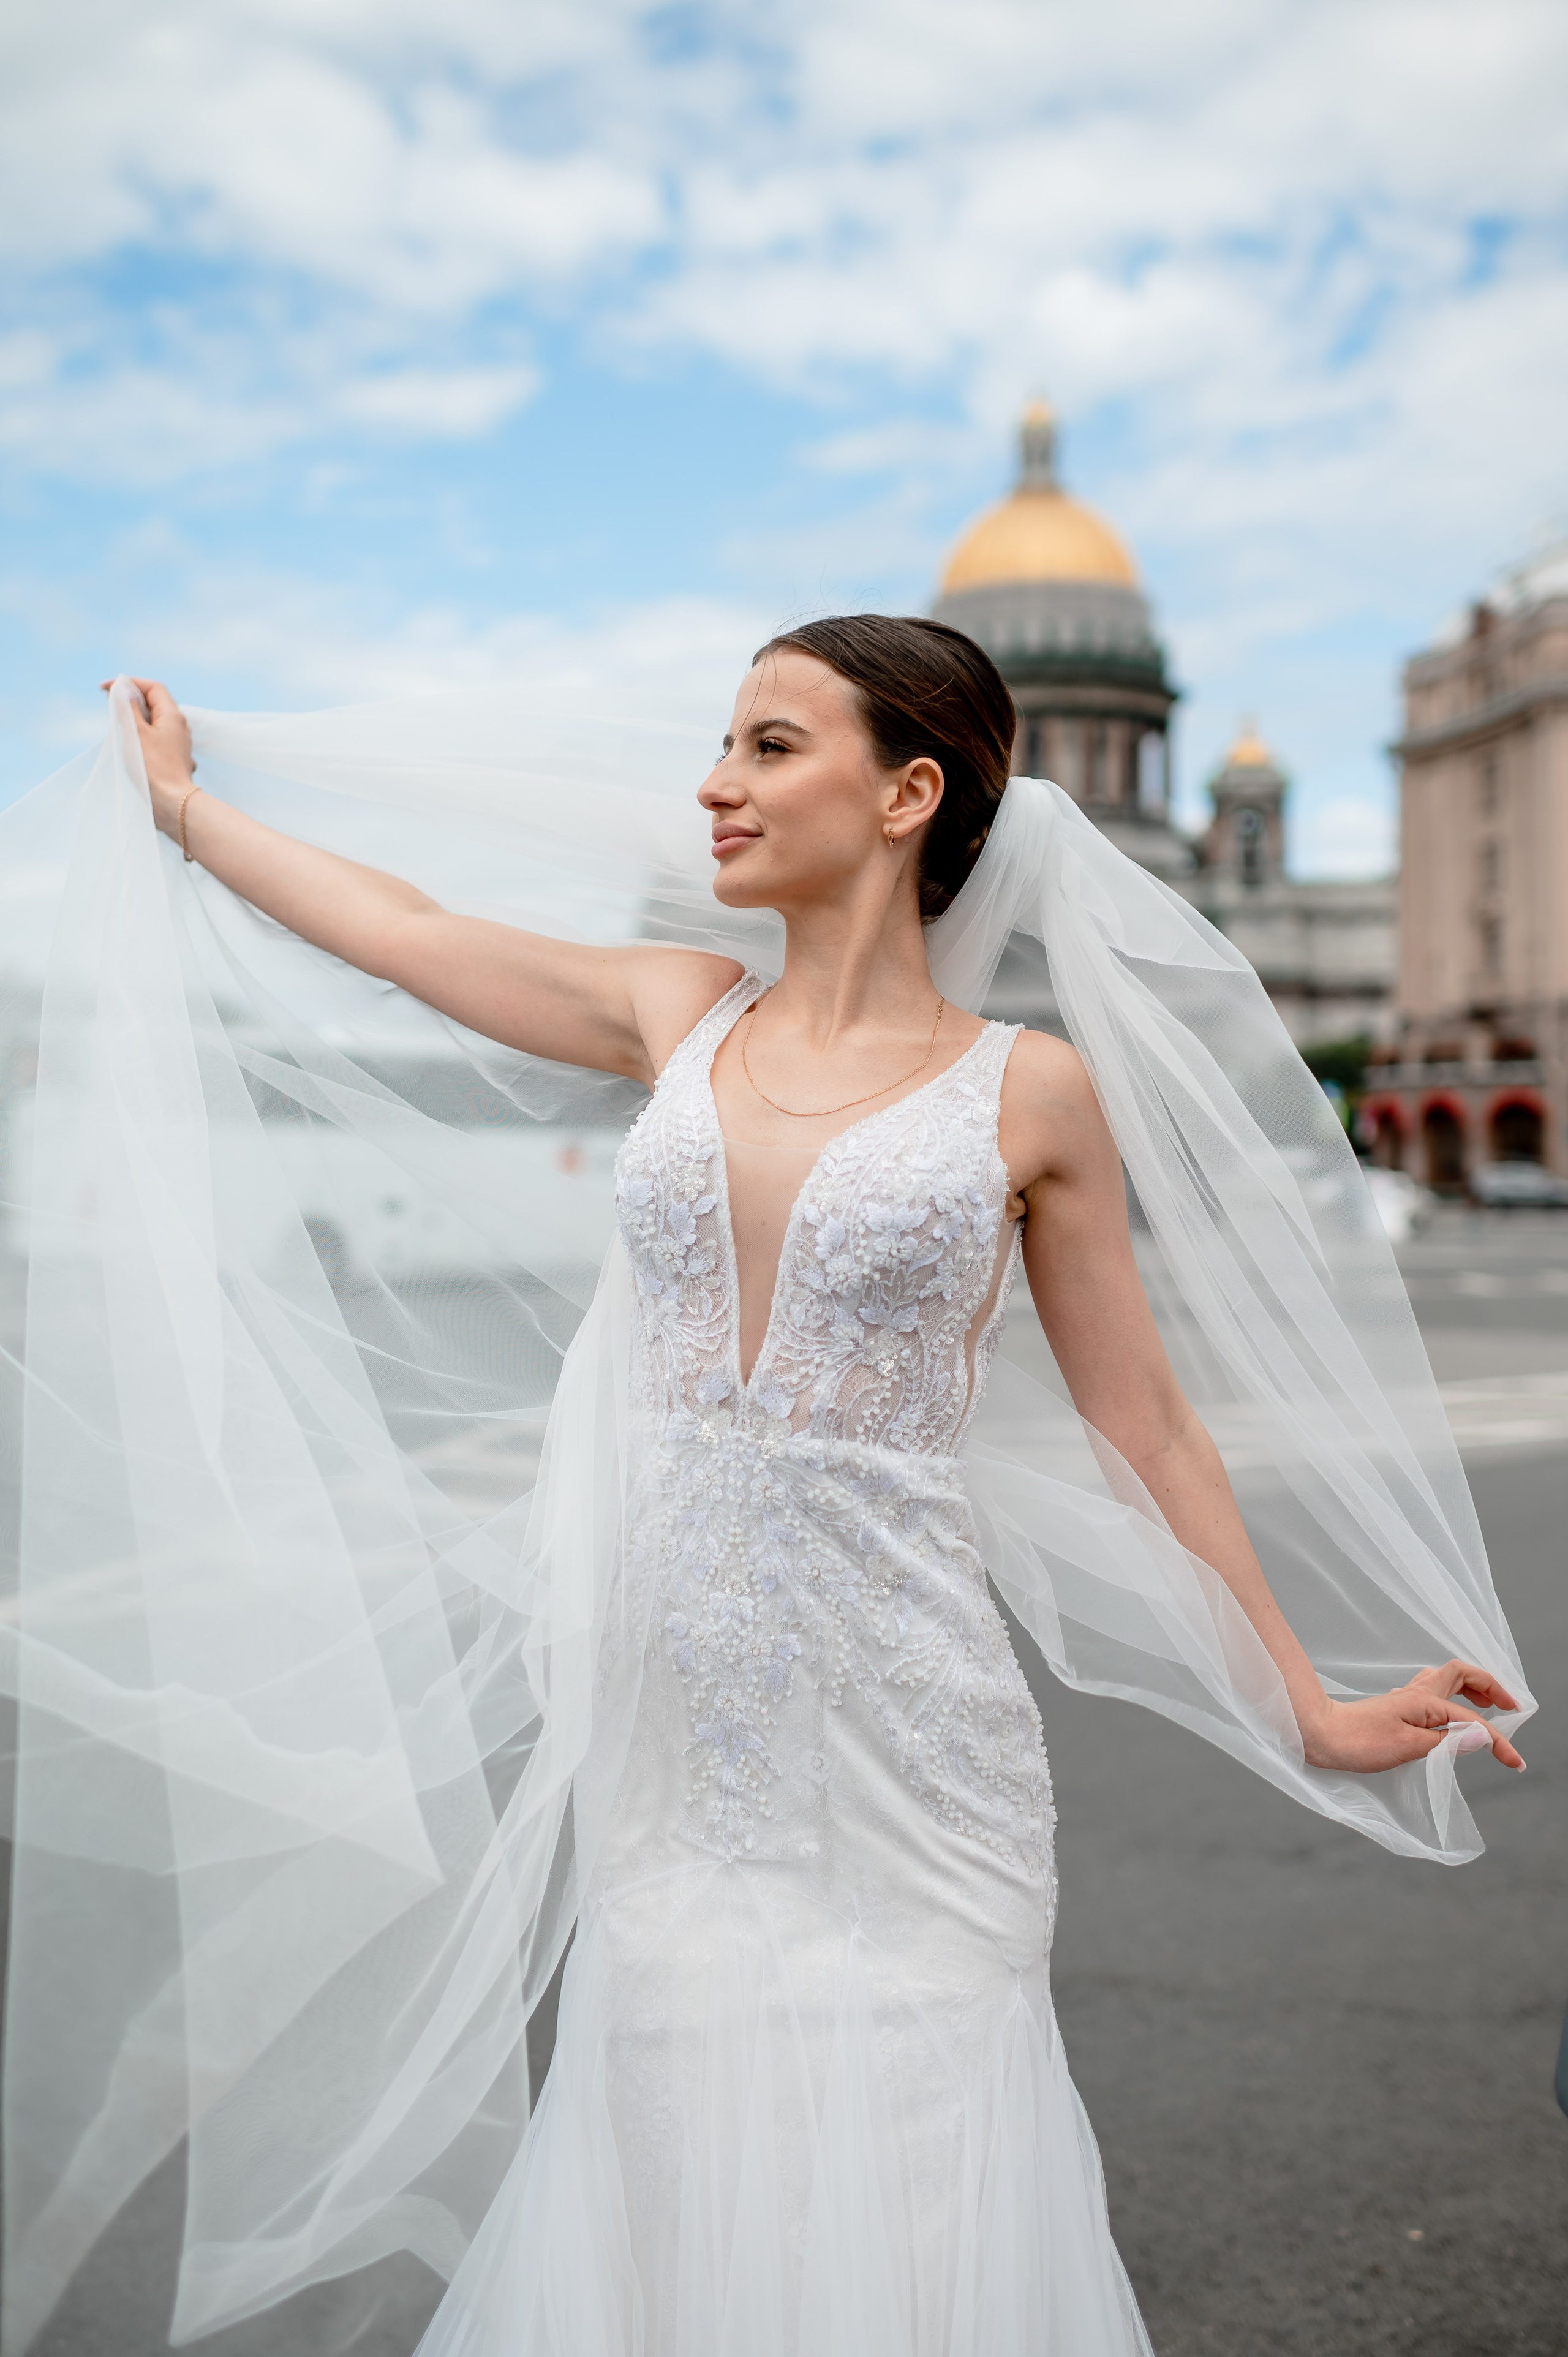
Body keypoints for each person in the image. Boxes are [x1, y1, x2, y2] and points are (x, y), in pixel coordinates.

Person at [1, 619, 1529, 2356]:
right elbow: (414, 934)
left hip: (916, 1748)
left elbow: (1150, 1426)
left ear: (909, 792)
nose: (715, 787)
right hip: (681, 1748)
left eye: (770, 746)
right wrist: (190, 812)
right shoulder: (676, 1011)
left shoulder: (1033, 1091)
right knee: (664, 2159)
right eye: (722, 746)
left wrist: (1304, 1707)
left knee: (919, 2169)